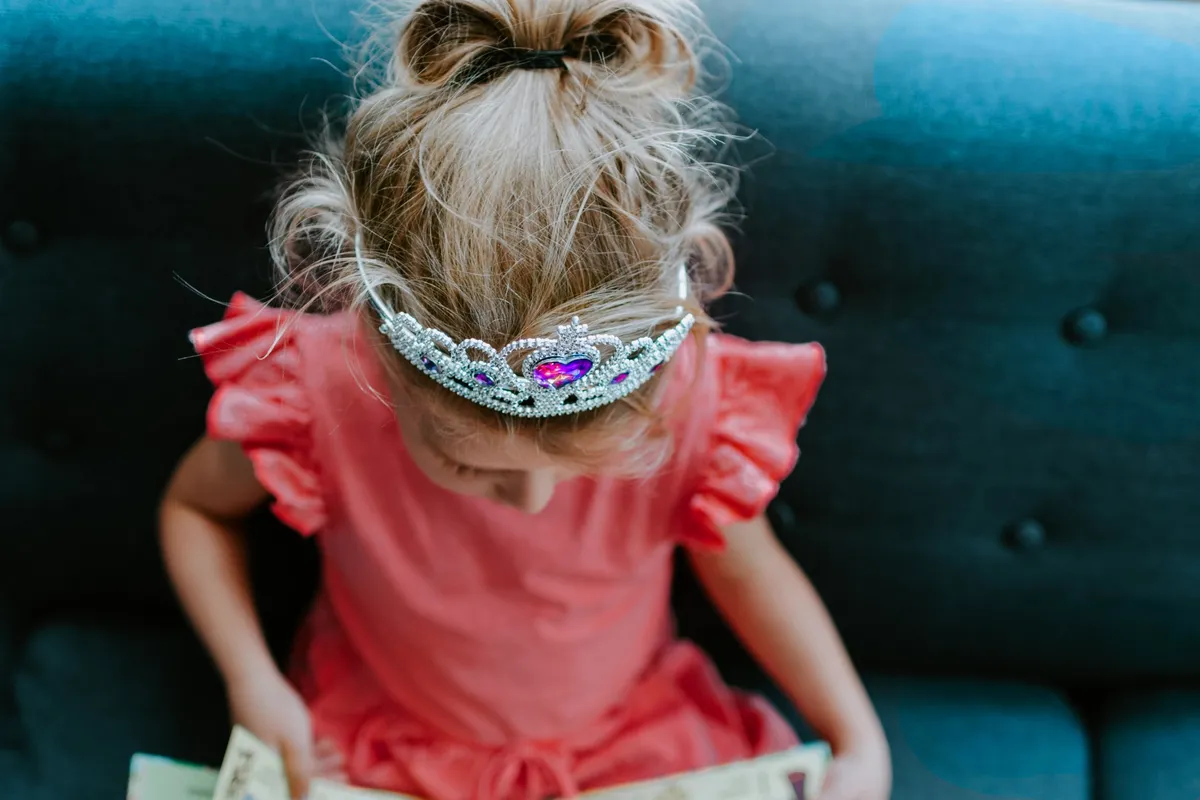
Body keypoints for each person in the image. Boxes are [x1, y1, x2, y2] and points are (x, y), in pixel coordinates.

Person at [158, 1, 891, 799]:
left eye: (578, 468)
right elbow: (196, 509)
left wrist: (857, 736)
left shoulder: (684, 403)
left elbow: (752, 574)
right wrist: (250, 678)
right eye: (467, 462)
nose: (533, 501)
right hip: (381, 745)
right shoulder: (323, 391)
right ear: (382, 364)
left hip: (628, 745)